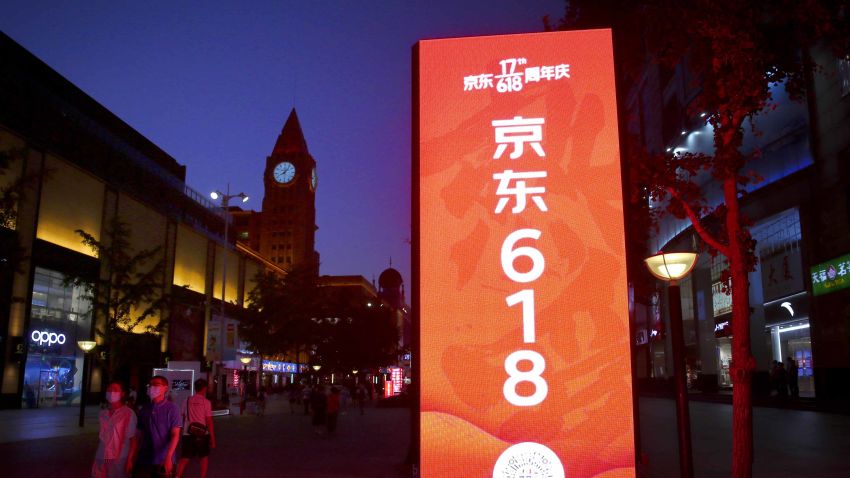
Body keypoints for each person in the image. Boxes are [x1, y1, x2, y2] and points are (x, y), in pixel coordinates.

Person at [135, 375, 181, 477]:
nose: (152, 387)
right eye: (150, 385)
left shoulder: (172, 408)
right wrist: (131, 456)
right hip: (144, 459)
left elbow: (175, 435)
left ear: (165, 388)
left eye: (156, 385)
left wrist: (168, 457)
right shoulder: (145, 409)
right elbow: (138, 435)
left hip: (163, 460)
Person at [91, 381, 137, 478]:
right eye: (109, 390)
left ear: (122, 394)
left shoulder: (128, 413)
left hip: (119, 457)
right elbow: (102, 436)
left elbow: (133, 439)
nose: (111, 392)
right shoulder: (103, 413)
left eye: (115, 390)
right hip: (102, 454)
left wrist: (130, 459)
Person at [176, 379, 215, 478]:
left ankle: (177, 476)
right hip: (202, 434)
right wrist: (213, 439)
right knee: (203, 458)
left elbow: (183, 417)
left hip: (187, 433)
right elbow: (209, 422)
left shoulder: (186, 400)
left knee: (185, 457)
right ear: (205, 388)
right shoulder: (206, 402)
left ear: (195, 387)